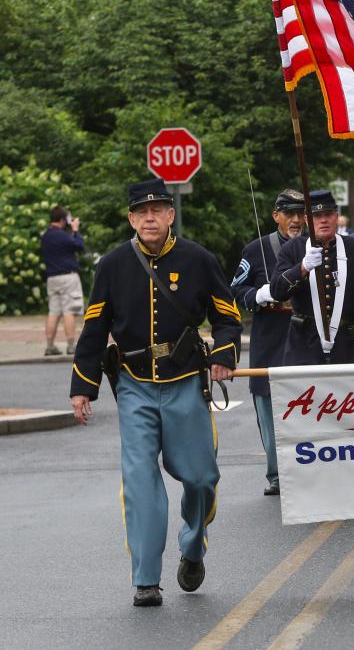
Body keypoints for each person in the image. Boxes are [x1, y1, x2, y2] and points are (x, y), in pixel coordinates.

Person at [69, 179, 242, 608]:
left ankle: (193, 546)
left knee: (201, 478)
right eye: (141, 212)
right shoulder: (111, 265)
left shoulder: (198, 259)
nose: (149, 217)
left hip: (185, 382)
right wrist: (82, 387)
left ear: (170, 215)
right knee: (141, 481)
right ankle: (146, 579)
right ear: (131, 218)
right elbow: (93, 329)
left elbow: (228, 316)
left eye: (158, 210)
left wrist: (223, 353)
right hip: (134, 386)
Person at [230, 189, 305, 496]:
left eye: (302, 214)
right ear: (277, 216)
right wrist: (257, 296)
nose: (297, 220)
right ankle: (277, 473)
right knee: (268, 405)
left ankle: (311, 466)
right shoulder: (256, 249)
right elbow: (235, 288)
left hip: (306, 335)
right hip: (271, 334)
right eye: (290, 214)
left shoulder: (318, 247)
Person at [270, 190, 354, 364]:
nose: (323, 220)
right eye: (316, 216)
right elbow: (277, 291)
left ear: (336, 217)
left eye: (328, 214)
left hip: (347, 344)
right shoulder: (293, 249)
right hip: (304, 345)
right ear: (307, 220)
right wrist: (302, 267)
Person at [40, 206, 85, 356]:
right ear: (62, 220)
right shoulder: (63, 235)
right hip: (68, 278)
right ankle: (71, 345)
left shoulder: (45, 235)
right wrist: (76, 230)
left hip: (52, 278)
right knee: (69, 311)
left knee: (53, 312)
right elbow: (79, 246)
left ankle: (49, 346)